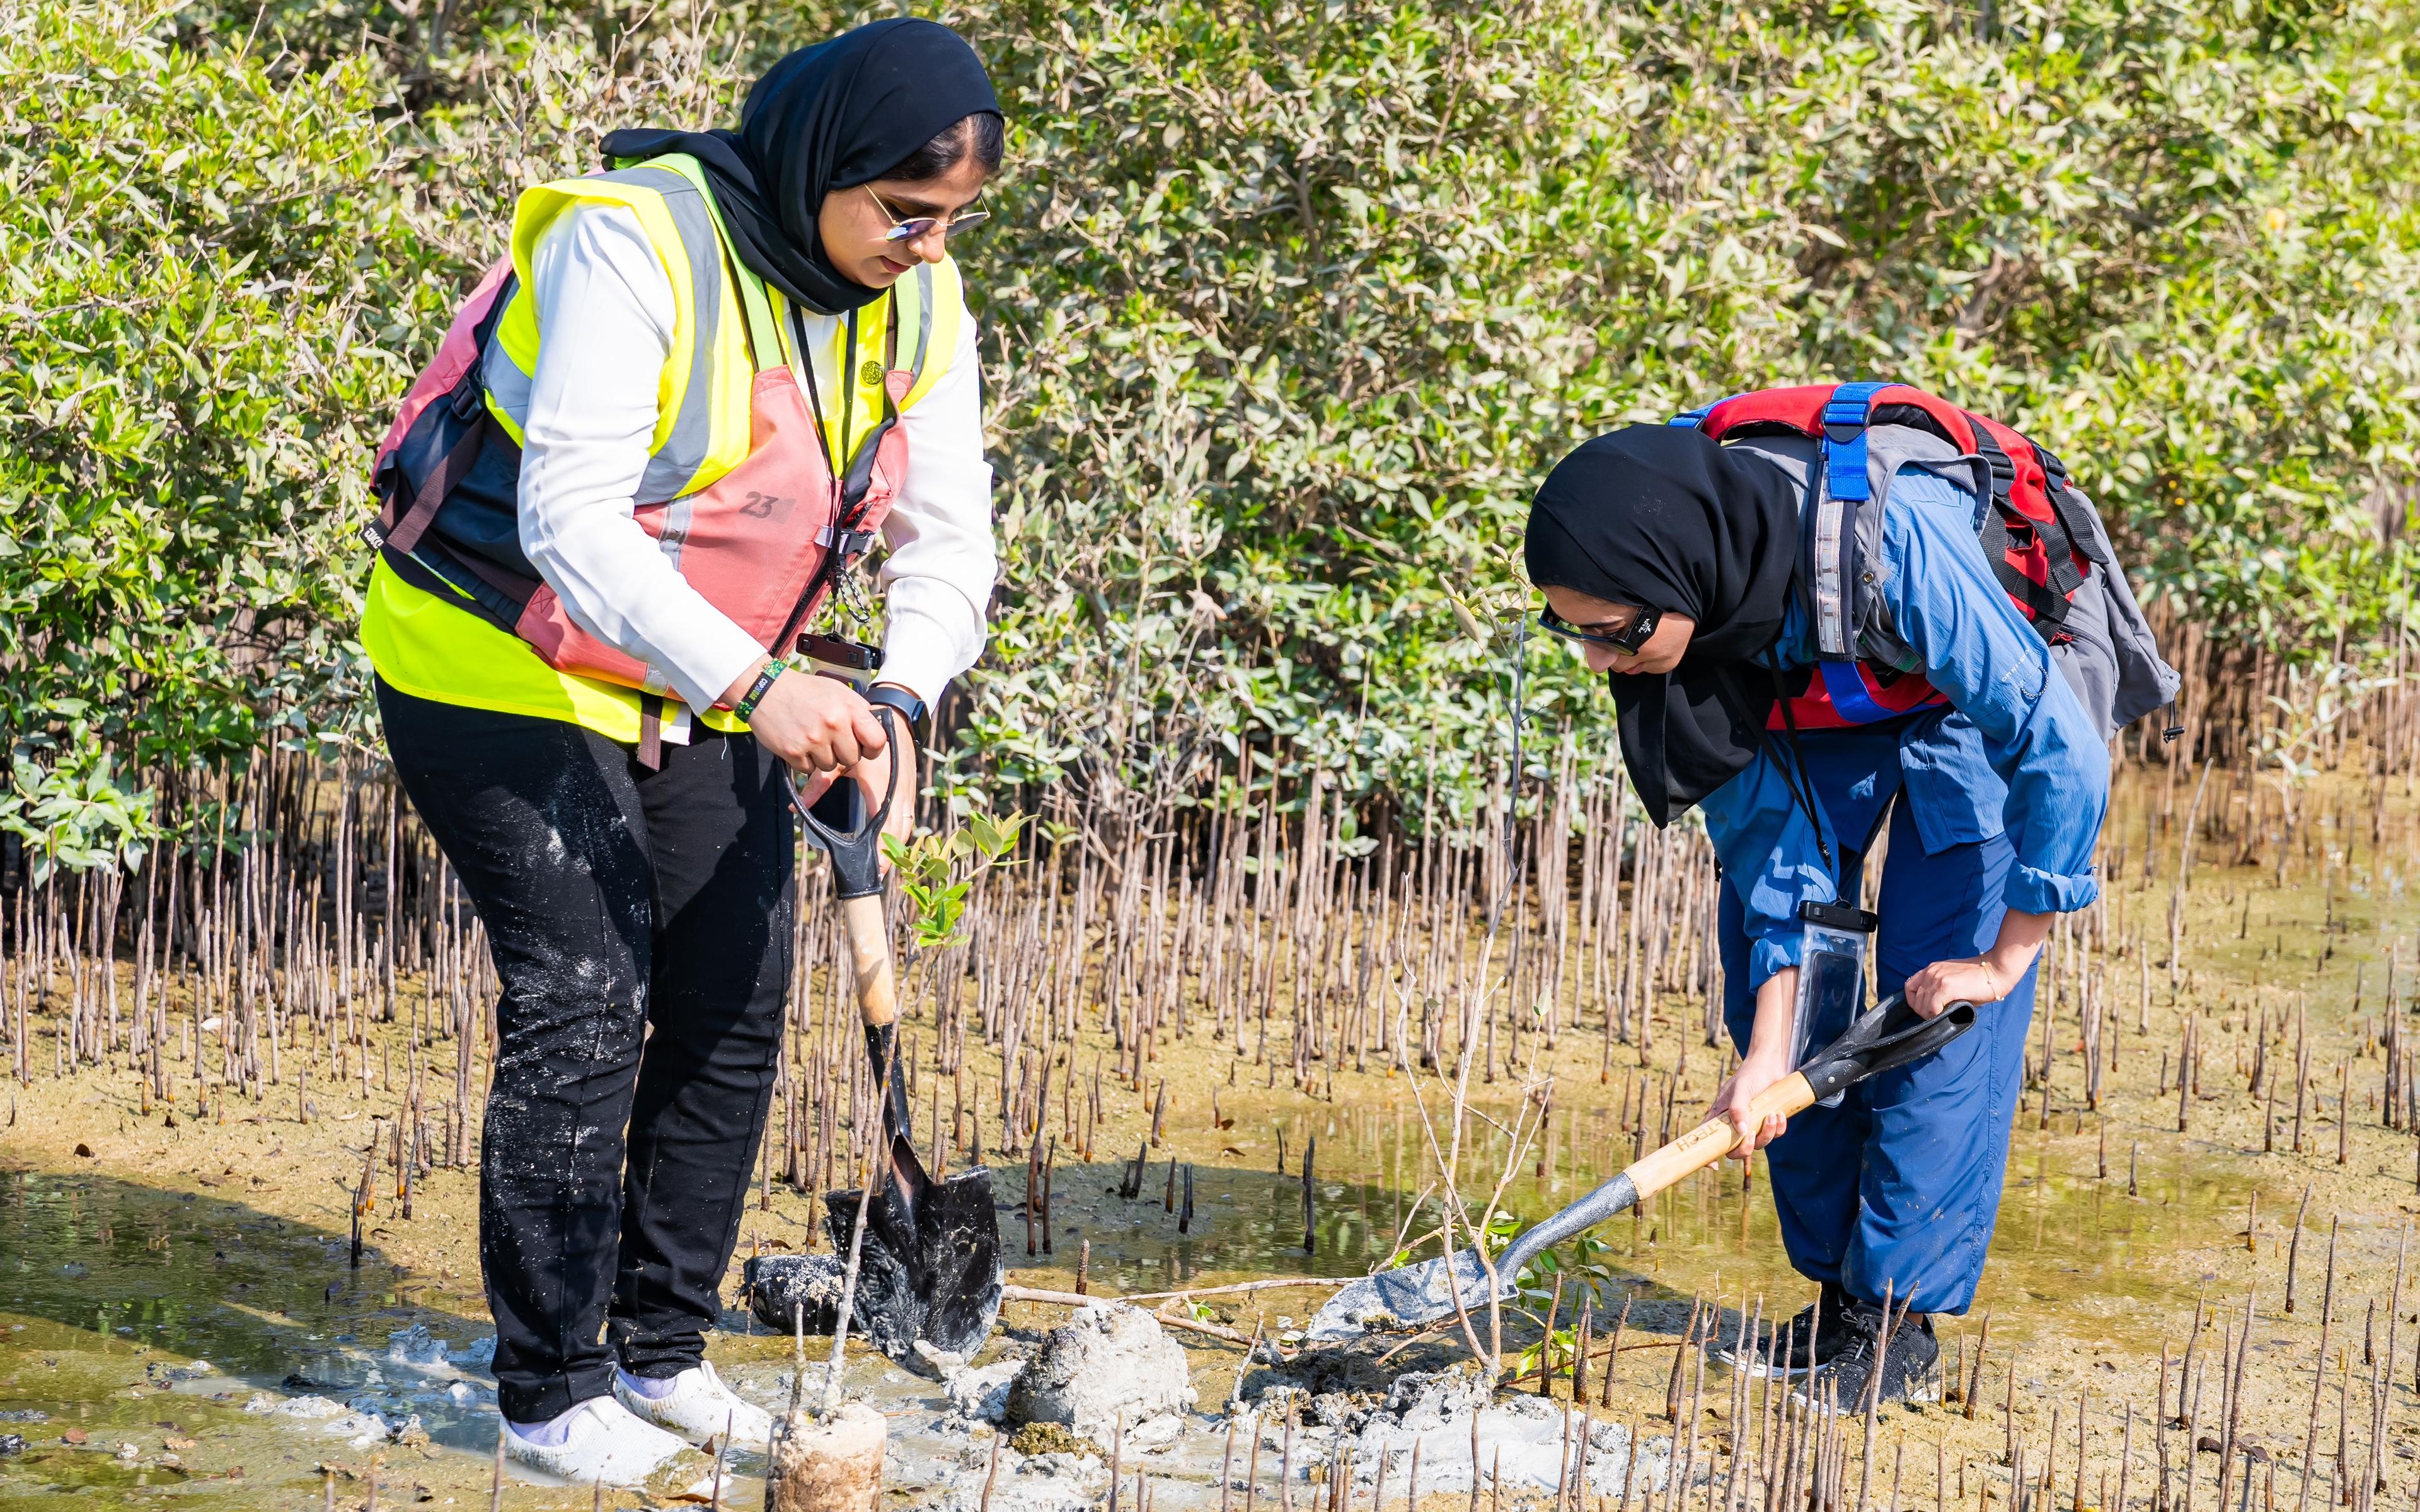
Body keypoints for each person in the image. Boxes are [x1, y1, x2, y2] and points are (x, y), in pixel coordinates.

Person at [359, 19, 1001, 1483]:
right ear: (819, 162)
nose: (929, 245)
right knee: (587, 989)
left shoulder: (925, 301)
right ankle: (547, 1394)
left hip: (709, 673)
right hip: (497, 654)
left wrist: (895, 705)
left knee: (733, 992)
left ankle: (661, 1353)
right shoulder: (634, 240)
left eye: (956, 220)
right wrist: (759, 682)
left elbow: (950, 540)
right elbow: (568, 520)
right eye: (907, 211)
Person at [1524, 422, 2111, 1408]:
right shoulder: (1691, 616)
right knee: (1790, 1009)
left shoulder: (1895, 545)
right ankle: (1838, 1299)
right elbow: (1775, 863)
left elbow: (2062, 754)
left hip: (1963, 706)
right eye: (1568, 630)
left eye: (1613, 632)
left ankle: (1896, 1324)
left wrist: (2005, 962)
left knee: (1936, 1011)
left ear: (1670, 581)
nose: (1594, 660)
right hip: (1810, 697)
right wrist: (1766, 1056)